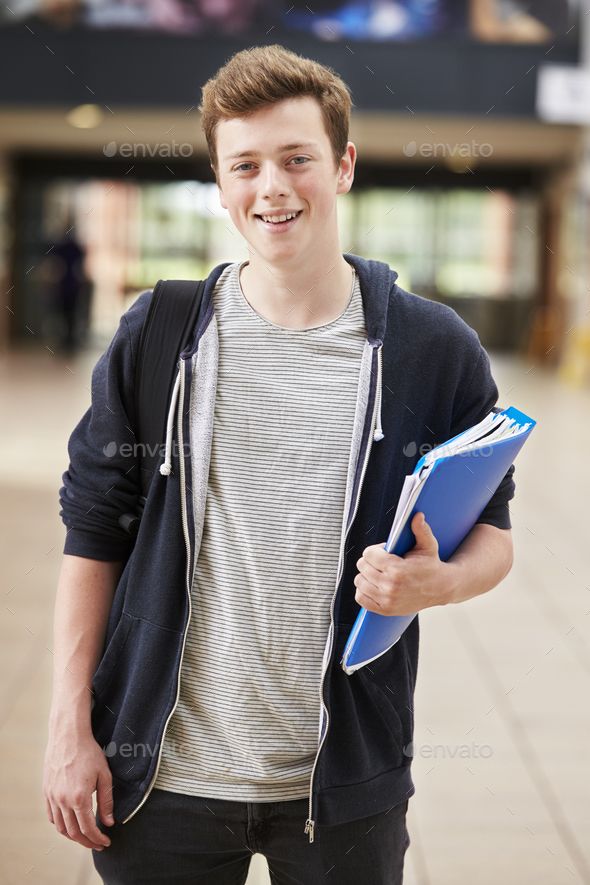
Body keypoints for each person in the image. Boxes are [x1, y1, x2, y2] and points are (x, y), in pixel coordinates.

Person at [43, 44, 516, 885]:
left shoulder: (431, 348)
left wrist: (431, 585)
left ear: (342, 167)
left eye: (297, 158)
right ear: (221, 183)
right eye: (246, 165)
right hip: (160, 778)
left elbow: (493, 536)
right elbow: (91, 537)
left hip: (341, 788)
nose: (273, 187)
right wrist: (68, 729)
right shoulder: (159, 334)